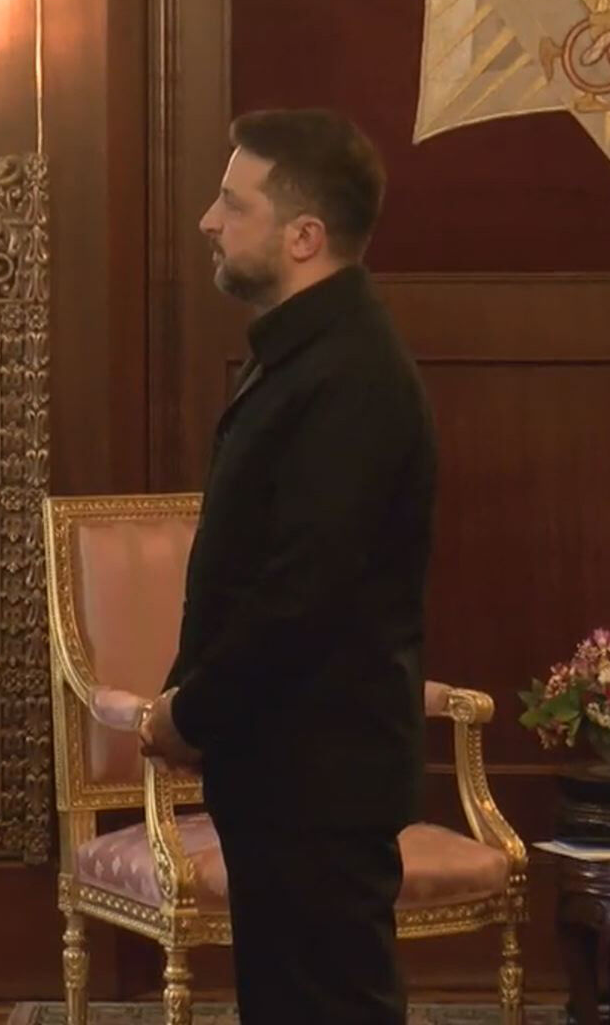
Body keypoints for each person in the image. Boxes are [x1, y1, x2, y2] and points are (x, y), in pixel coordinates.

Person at [140, 109, 436, 1024]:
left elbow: (302, 592)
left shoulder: (352, 376)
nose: (208, 221)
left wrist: (192, 710)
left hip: (321, 774)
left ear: (304, 237)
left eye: (234, 204)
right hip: (282, 768)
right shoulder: (302, 356)